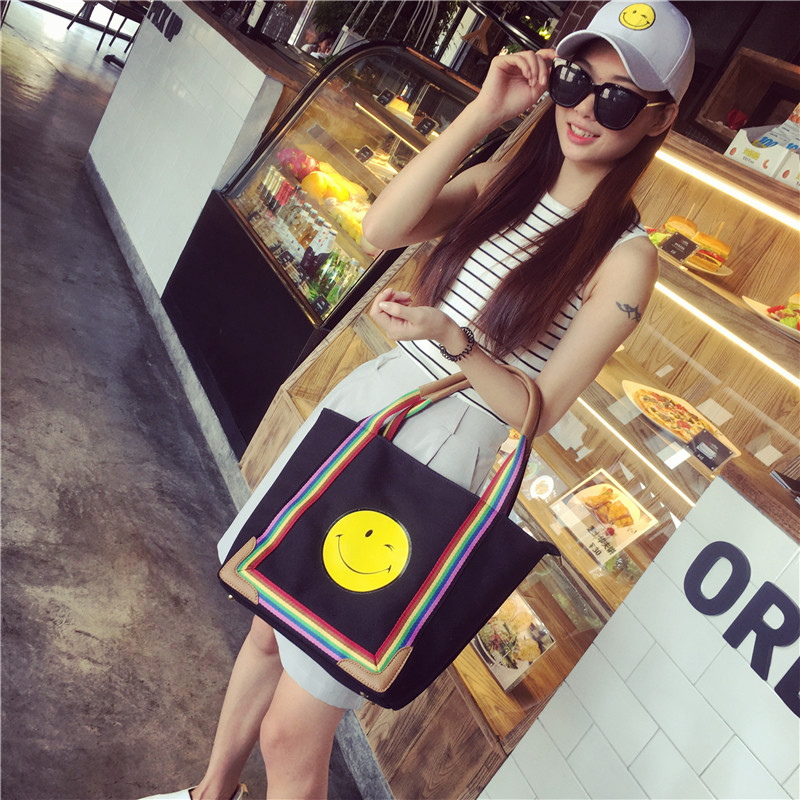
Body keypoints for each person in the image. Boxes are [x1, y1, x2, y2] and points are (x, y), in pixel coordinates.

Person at [141, 3, 693, 799]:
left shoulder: (626, 257)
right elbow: (381, 227)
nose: (583, 109)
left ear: (659, 119)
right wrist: (486, 111)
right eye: (576, 80)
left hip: (439, 463)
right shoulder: (505, 181)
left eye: (616, 99)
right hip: (373, 408)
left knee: (294, 731)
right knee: (266, 627)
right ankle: (210, 793)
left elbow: (538, 412)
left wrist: (457, 341)